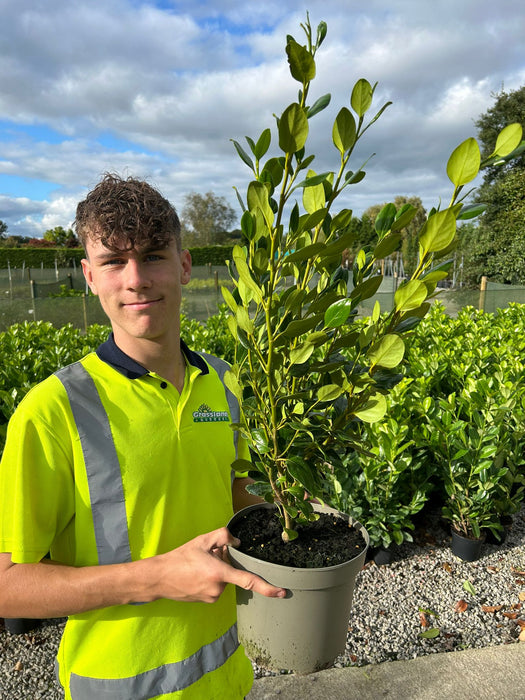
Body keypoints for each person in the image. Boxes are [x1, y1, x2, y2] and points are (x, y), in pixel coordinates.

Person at [0, 174, 285, 700]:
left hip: (228, 674)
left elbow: (233, 493)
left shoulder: (224, 384)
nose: (135, 279)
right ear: (89, 276)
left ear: (184, 265)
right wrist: (154, 577)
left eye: (153, 255)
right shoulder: (51, 411)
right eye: (113, 262)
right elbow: (7, 584)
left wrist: (294, 507)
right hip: (118, 686)